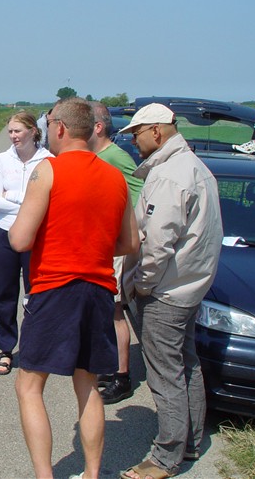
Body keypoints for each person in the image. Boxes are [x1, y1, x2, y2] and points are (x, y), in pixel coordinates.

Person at [8, 98, 139, 479]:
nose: (47, 131)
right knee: (88, 385)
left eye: (49, 125)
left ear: (61, 128)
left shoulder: (47, 171)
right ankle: (93, 473)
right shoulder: (114, 176)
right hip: (98, 289)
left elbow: (19, 239)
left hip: (55, 287)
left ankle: (45, 475)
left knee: (29, 385)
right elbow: (131, 242)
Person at [118, 103, 223, 479]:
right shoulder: (195, 168)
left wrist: (142, 285)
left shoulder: (170, 176)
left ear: (157, 132)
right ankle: (191, 442)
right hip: (189, 288)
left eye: (136, 134)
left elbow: (156, 242)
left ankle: (165, 458)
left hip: (165, 293)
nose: (133, 141)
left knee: (165, 376)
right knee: (186, 364)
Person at [0, 111, 52, 375]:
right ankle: (5, 347)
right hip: (4, 232)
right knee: (3, 292)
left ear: (33, 132)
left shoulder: (48, 160)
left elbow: (49, 201)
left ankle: (34, 345)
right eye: (10, 132)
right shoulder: (1, 159)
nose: (13, 136)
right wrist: (28, 202)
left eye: (18, 131)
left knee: (35, 291)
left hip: (36, 233)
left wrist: (11, 195)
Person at [87, 102, 144, 405]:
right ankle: (110, 369)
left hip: (119, 245)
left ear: (97, 127)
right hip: (109, 242)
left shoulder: (113, 157)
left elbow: (139, 194)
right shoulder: (101, 156)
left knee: (116, 309)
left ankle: (122, 376)